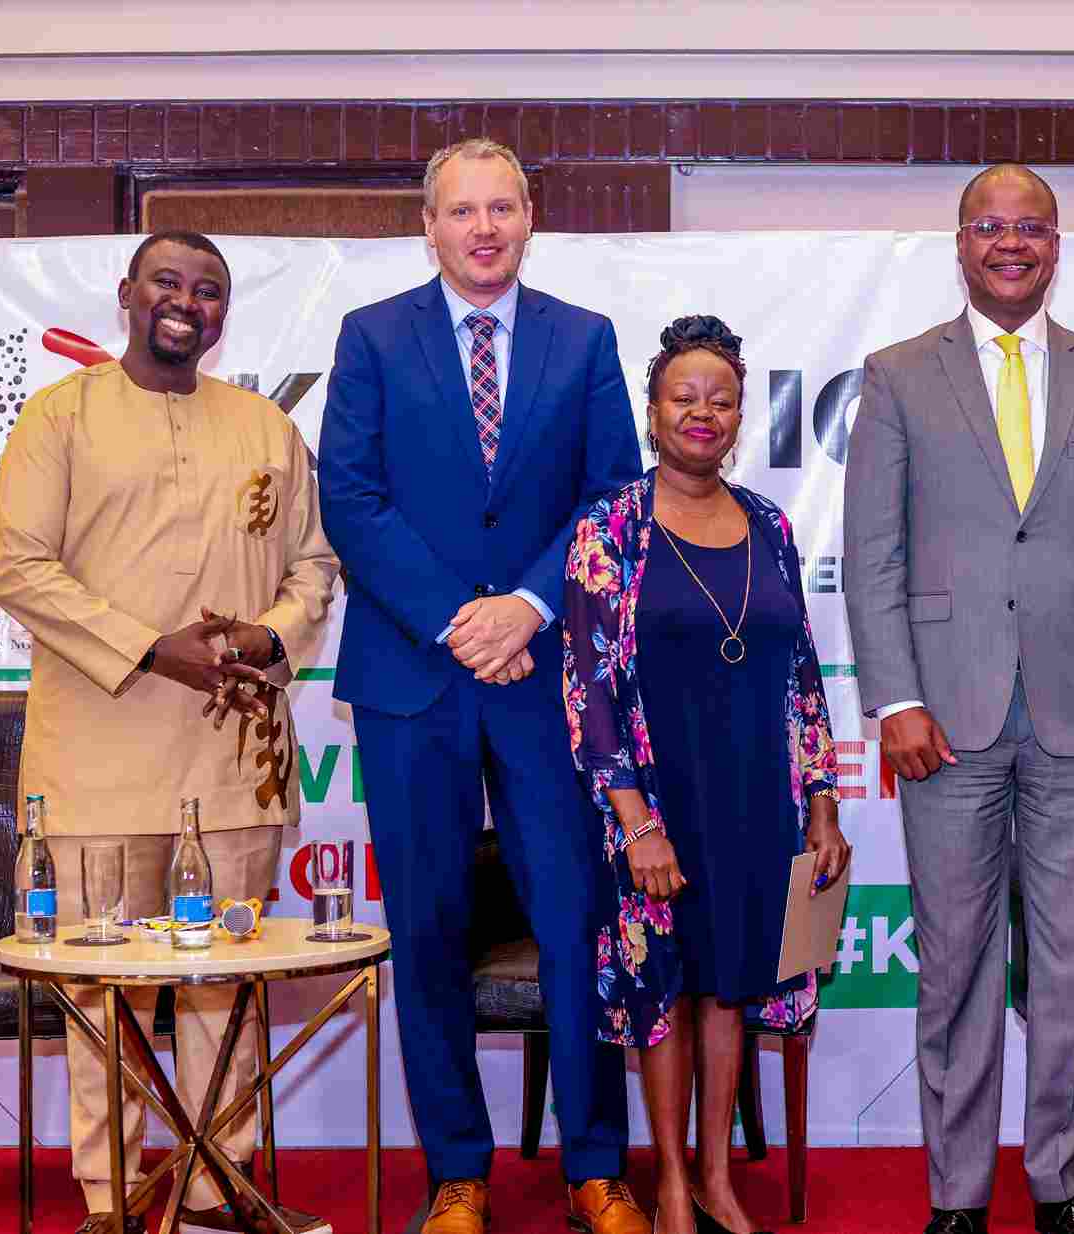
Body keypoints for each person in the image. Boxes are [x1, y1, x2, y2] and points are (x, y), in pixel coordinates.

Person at [318, 138, 646, 1234]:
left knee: (576, 920)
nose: (484, 227)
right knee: (430, 928)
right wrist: (465, 618)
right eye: (463, 210)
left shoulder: (584, 339)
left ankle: (594, 1165)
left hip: (548, 680)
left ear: (529, 216)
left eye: (502, 207)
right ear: (429, 224)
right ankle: (457, 1172)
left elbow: (610, 503)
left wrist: (531, 607)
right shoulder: (371, 338)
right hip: (416, 676)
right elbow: (353, 501)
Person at [0, 230, 340, 1234]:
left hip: (233, 763)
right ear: (128, 295)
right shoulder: (60, 417)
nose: (188, 302)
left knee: (223, 989)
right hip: (94, 763)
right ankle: (112, 1199)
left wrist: (270, 634)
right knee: (102, 1003)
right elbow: (20, 567)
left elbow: (315, 564)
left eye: (210, 290)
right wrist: (150, 648)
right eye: (168, 283)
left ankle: (216, 1189)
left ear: (225, 315)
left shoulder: (265, 426)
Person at [843, 164, 1074, 1234]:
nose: (1011, 243)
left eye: (1031, 227)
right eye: (991, 225)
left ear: (1057, 242)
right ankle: (959, 1194)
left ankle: (1063, 1179)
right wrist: (894, 699)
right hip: (944, 717)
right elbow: (873, 558)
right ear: (961, 241)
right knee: (955, 966)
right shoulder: (895, 376)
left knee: (1071, 963)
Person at [563, 316, 851, 1234]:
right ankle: (673, 1185)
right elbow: (588, 689)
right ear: (653, 412)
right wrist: (636, 824)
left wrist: (822, 802)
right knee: (663, 992)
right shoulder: (610, 527)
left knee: (730, 985)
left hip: (754, 796)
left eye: (721, 400)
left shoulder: (768, 525)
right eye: (683, 396)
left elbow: (802, 672)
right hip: (654, 800)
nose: (703, 412)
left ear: (739, 419)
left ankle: (719, 1178)